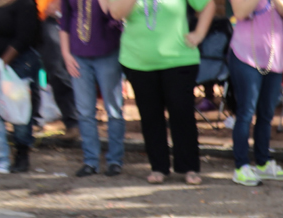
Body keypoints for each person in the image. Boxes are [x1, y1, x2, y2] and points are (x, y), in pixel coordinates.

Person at [110, 0, 215, 185]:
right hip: (138, 61)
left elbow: (208, 5)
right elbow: (116, 13)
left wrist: (199, 34)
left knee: (182, 113)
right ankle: (158, 167)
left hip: (179, 59)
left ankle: (189, 167)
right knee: (150, 116)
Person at [227, 0, 283, 186]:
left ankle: (263, 163)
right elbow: (240, 12)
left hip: (274, 58)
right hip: (246, 56)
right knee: (246, 113)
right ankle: (241, 166)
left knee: (266, 114)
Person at [59, 0, 125, 177]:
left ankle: (115, 160)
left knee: (114, 109)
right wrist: (66, 54)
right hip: (78, 55)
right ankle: (90, 161)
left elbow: (114, 17)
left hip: (107, 53)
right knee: (85, 110)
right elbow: (64, 22)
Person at [0, 0, 42, 172]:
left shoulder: (25, 4)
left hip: (18, 63)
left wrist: (1, 63)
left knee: (17, 110)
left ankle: (21, 153)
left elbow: (23, 38)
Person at [37, 0, 81, 140]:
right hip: (30, 14)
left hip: (57, 17)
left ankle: (74, 123)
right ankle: (33, 121)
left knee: (60, 70)